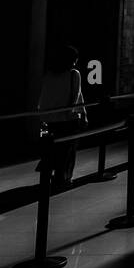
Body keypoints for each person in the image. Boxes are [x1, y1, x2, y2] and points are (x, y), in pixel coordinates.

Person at [37, 44, 87, 189]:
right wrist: (82, 115)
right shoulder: (74, 74)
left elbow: (44, 96)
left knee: (53, 149)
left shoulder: (49, 74)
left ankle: (48, 175)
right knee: (68, 150)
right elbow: (76, 96)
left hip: (50, 119)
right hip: (67, 119)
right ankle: (63, 179)